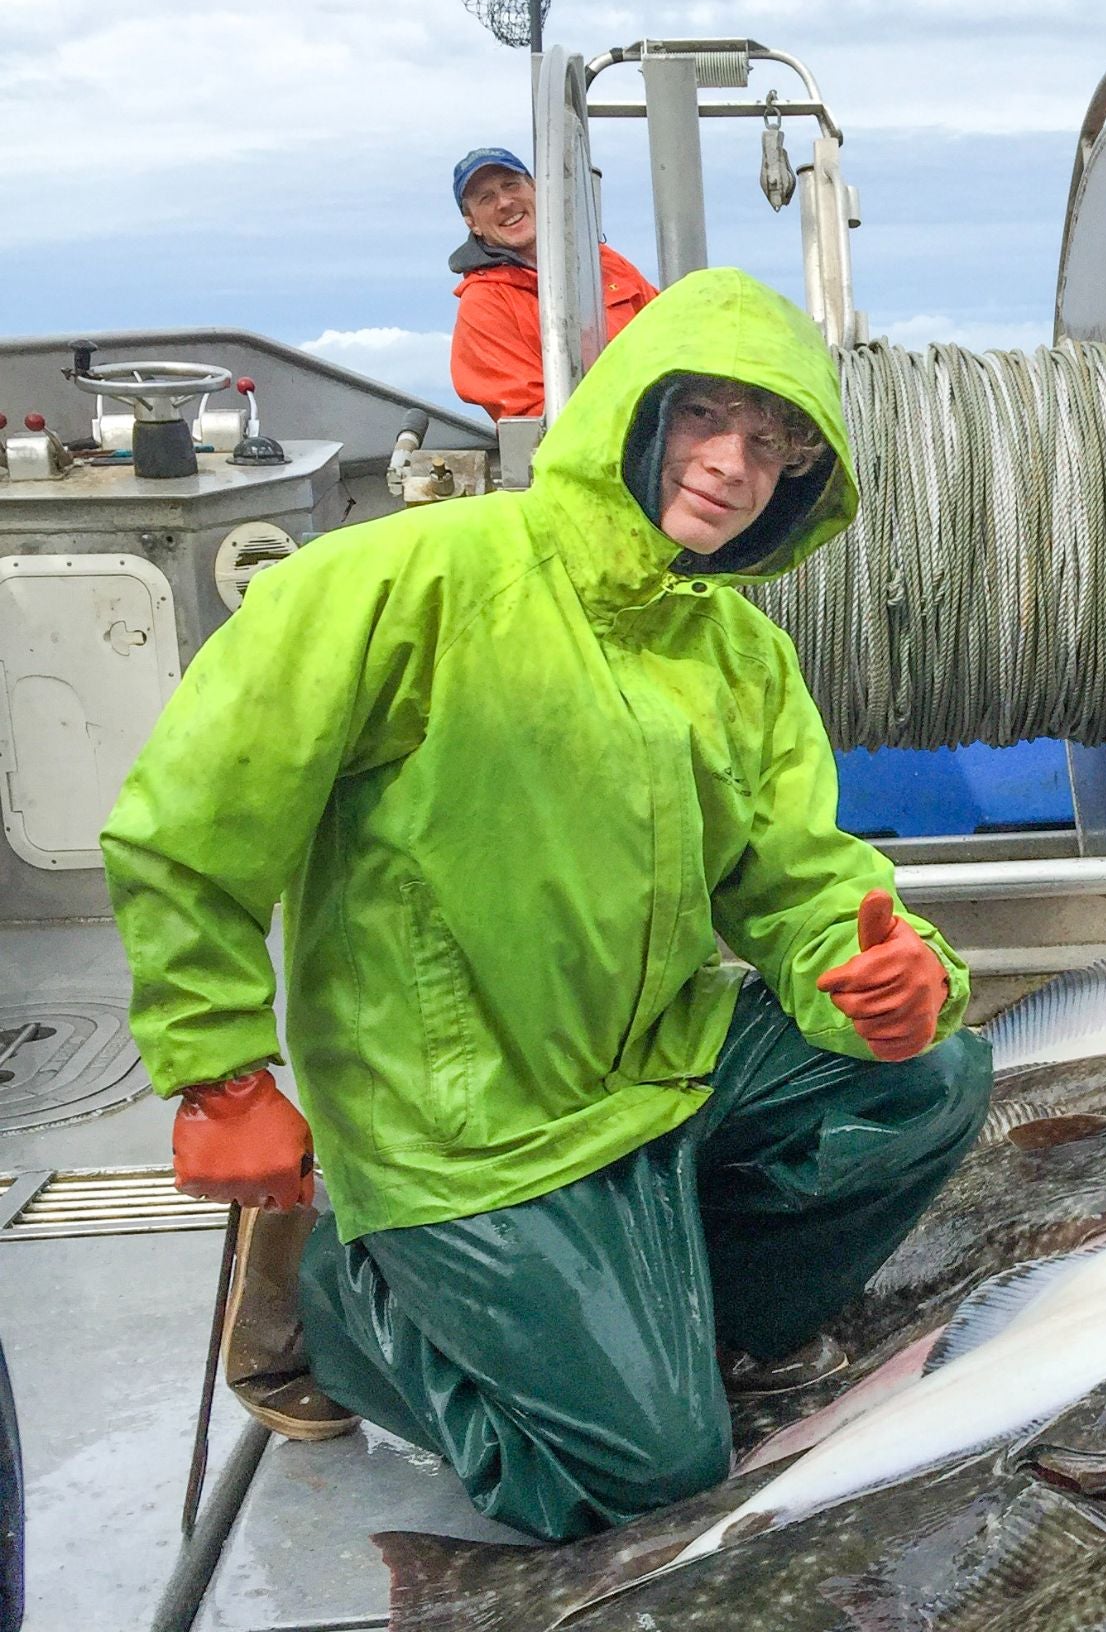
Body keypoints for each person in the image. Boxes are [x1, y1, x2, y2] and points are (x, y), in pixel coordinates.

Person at [101, 268, 992, 1542]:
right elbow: (190, 824)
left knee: (928, 1078)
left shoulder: (739, 653)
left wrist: (894, 972)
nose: (732, 464)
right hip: (462, 1124)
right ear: (636, 407)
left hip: (659, 1066)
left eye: (773, 440)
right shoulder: (406, 577)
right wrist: (220, 1070)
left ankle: (663, 1326)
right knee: (652, 1477)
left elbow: (803, 881)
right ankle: (346, 1311)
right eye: (704, 417)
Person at [448, 145, 658, 422]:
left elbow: (668, 330)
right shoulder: (484, 304)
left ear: (536, 188)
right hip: (589, 449)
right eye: (486, 198)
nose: (504, 202)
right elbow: (535, 414)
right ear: (472, 223)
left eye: (511, 185)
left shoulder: (603, 261)